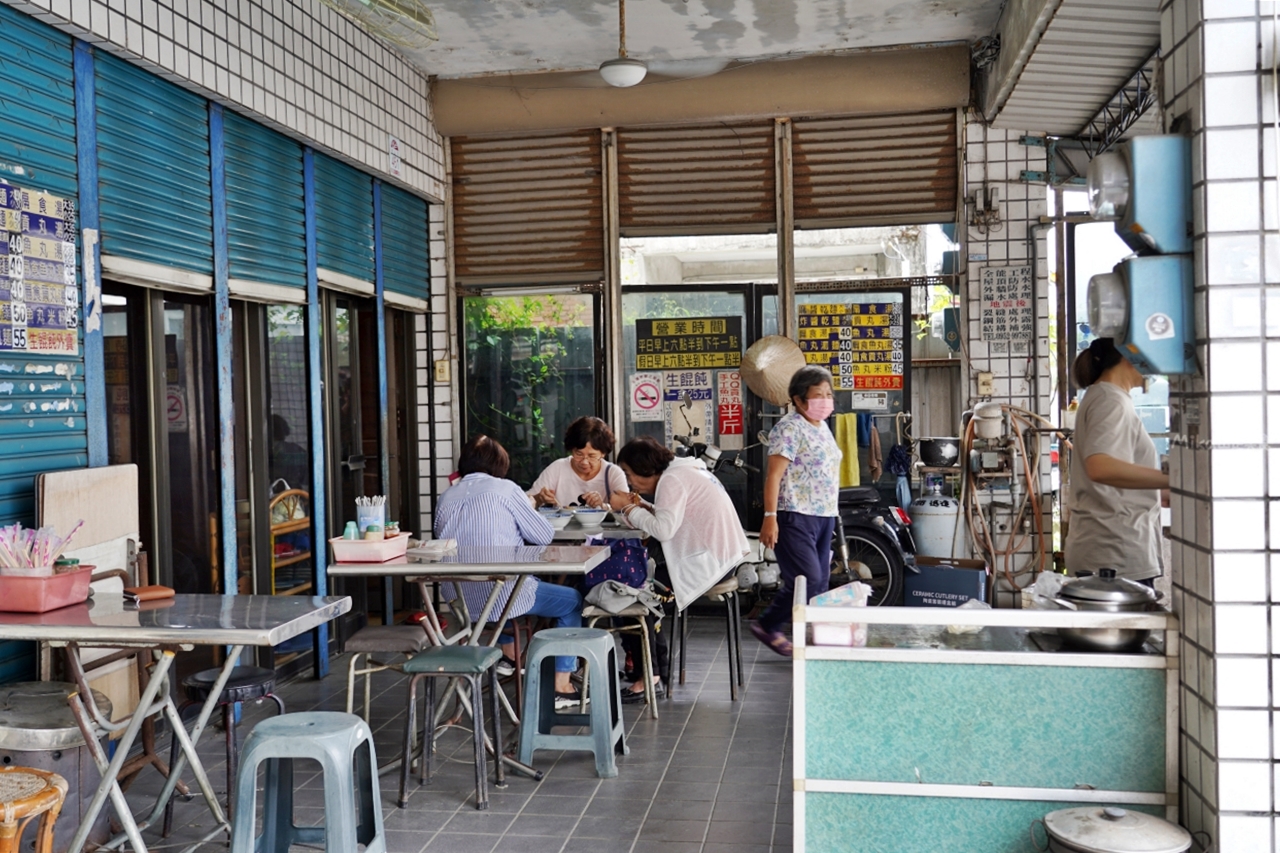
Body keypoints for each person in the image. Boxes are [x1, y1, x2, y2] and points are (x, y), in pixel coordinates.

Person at [435, 435, 586, 707]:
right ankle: (562, 686)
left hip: (458, 599)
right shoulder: (507, 489)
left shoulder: (446, 495)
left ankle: (510, 657)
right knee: (571, 601)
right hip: (501, 595)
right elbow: (542, 535)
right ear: (499, 465)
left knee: (505, 587)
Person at [609, 435, 749, 701]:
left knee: (634, 599)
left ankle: (649, 677)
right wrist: (640, 506)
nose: (630, 482)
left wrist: (627, 506)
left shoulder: (672, 480)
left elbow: (663, 529)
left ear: (645, 468)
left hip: (709, 565)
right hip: (720, 559)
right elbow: (670, 515)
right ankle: (657, 670)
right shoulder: (685, 470)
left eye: (629, 474)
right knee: (643, 592)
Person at [751, 366, 841, 658]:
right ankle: (769, 624)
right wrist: (770, 517)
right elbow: (774, 475)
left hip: (824, 515)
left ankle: (814, 641)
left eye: (829, 395)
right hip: (794, 514)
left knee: (820, 582)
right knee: (808, 579)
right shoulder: (789, 428)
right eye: (818, 396)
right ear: (799, 400)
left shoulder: (822, 426)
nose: (825, 401)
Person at [1065, 337, 1169, 584]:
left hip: (1110, 550)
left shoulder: (1104, 396)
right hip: (1115, 554)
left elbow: (1112, 468)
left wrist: (1158, 487)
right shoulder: (1110, 400)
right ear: (1127, 357)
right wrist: (1174, 481)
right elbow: (1101, 467)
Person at [528, 416, 628, 509]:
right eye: (579, 454)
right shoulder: (558, 468)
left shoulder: (613, 473)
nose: (584, 462)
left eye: (591, 456)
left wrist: (603, 506)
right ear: (571, 449)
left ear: (603, 453)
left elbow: (627, 509)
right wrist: (539, 498)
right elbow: (524, 501)